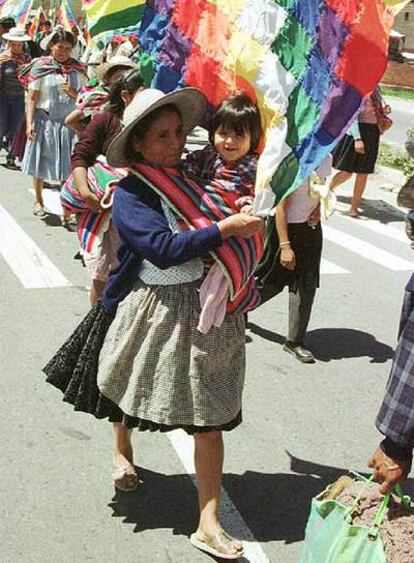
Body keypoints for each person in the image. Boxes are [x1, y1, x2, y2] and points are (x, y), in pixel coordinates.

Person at [43, 87, 263, 560]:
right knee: (127, 386)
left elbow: (238, 184)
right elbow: (161, 248)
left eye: (179, 132)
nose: (175, 143)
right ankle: (122, 449)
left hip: (206, 313)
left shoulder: (196, 175)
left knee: (209, 416)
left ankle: (208, 521)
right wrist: (224, 231)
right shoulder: (132, 192)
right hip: (151, 306)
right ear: (138, 144)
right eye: (162, 136)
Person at [61, 69, 145, 304]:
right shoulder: (105, 121)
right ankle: (98, 327)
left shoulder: (152, 126)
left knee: (134, 278)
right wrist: (86, 193)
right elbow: (81, 155)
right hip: (104, 215)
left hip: (138, 212)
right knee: (102, 275)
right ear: (126, 96)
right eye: (142, 95)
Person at [183, 92, 263, 332]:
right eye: (223, 133)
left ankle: (221, 315)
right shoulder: (207, 156)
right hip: (207, 229)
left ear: (253, 138)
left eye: (239, 135)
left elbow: (261, 194)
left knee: (228, 280)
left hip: (236, 235)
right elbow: (184, 172)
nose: (230, 141)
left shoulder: (257, 165)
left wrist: (250, 204)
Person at [255, 157, 332, 363]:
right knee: (271, 281)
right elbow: (280, 206)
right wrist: (285, 246)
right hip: (283, 230)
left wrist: (317, 210)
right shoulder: (294, 158)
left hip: (310, 229)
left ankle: (294, 341)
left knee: (306, 283)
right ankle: (238, 308)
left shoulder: (326, 158)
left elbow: (319, 190)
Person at [18, 29, 87, 217]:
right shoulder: (40, 67)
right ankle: (38, 201)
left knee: (68, 166)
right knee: (40, 162)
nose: (63, 51)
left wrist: (73, 93)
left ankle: (67, 207)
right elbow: (32, 98)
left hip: (69, 124)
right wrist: (30, 123)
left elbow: (85, 98)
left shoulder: (78, 69)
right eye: (59, 47)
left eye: (67, 48)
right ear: (51, 46)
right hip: (45, 121)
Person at [329, 88, 391, 218]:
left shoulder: (376, 89)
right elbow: (351, 116)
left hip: (371, 133)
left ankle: (354, 208)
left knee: (363, 173)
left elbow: (375, 111)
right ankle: (327, 191)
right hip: (356, 133)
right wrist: (357, 138)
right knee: (347, 172)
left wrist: (383, 112)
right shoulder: (358, 88)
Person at [65, 55, 137, 134]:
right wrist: (90, 135)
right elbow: (71, 120)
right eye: (119, 74)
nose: (122, 78)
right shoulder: (99, 96)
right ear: (109, 75)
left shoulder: (133, 95)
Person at [0, 26, 31, 169]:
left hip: (19, 97)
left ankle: (11, 158)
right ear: (9, 43)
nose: (16, 47)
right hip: (2, 96)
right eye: (13, 44)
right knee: (1, 125)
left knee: (15, 127)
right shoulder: (2, 56)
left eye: (19, 44)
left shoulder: (27, 59)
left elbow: (31, 79)